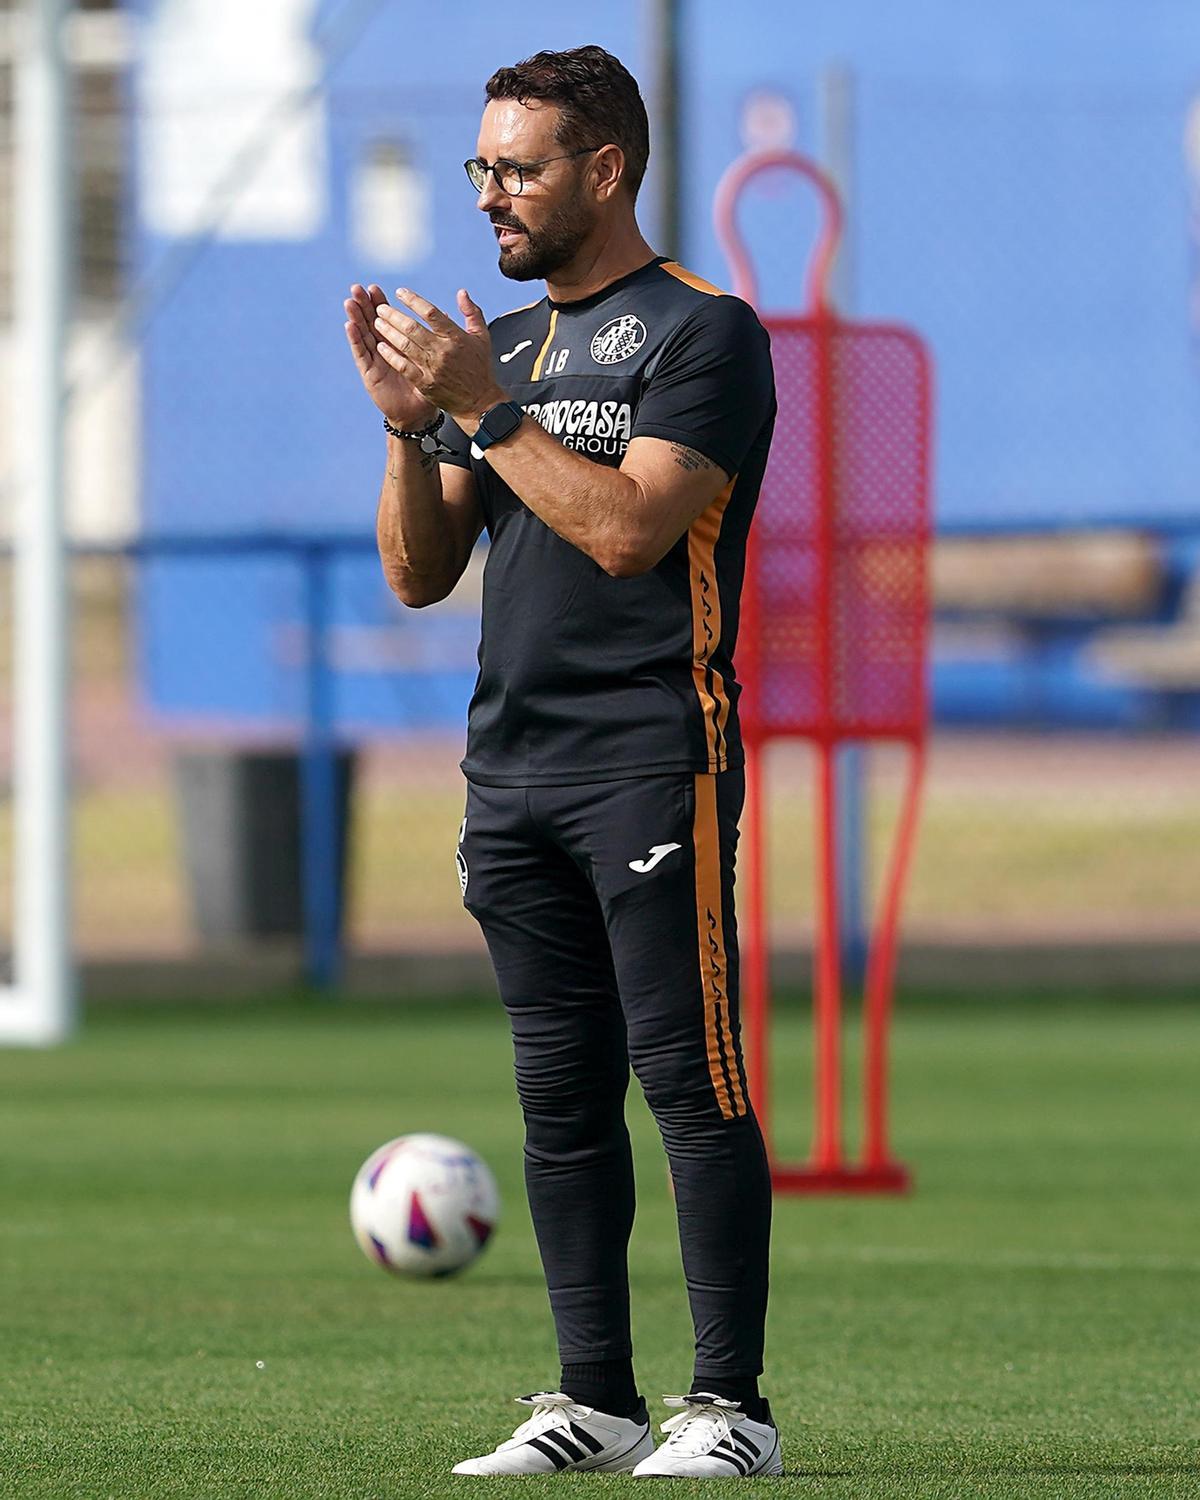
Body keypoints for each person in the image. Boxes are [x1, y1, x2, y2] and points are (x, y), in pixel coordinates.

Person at [343, 44, 779, 1480]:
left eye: (517, 166)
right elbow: (418, 574)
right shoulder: (508, 351)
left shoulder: (703, 334)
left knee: (688, 1077)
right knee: (558, 1096)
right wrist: (416, 426)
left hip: (654, 758)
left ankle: (730, 1410)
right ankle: (593, 1399)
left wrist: (487, 409)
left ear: (605, 169)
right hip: (511, 774)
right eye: (481, 168)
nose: (491, 195)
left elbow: (628, 532)